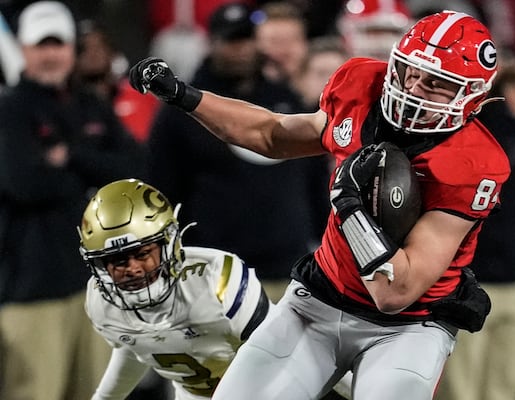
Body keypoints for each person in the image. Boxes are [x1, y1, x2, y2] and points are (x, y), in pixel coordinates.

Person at [129, 10, 510, 400]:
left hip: (408, 326)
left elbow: (396, 293)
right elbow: (271, 134)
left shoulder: (472, 164)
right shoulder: (362, 85)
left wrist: (351, 209)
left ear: (471, 98)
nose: (414, 88)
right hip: (320, 301)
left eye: (436, 84)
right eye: (410, 72)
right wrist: (185, 97)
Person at [0, 2, 146, 400]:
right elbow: (23, 182)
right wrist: (93, 178)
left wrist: (72, 156)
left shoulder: (90, 105)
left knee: (99, 394)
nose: (50, 55)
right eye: (41, 45)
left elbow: (135, 173)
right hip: (31, 289)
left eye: (58, 45)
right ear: (25, 49)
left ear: (71, 50)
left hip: (97, 289)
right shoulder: (9, 108)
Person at [147, 2, 330, 303]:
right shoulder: (182, 110)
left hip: (290, 268)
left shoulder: (285, 98)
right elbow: (163, 190)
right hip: (216, 273)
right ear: (212, 43)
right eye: (232, 40)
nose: (241, 49)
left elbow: (311, 178)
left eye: (246, 39)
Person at [79, 178, 272, 399]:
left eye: (142, 254)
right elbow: (136, 347)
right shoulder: (100, 302)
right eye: (117, 260)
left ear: (169, 243)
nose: (132, 269)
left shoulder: (217, 279)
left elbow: (278, 351)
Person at [433, 56, 515, 400]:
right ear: (512, 92)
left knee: (503, 379)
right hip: (475, 277)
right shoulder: (479, 139)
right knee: (470, 383)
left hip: (511, 277)